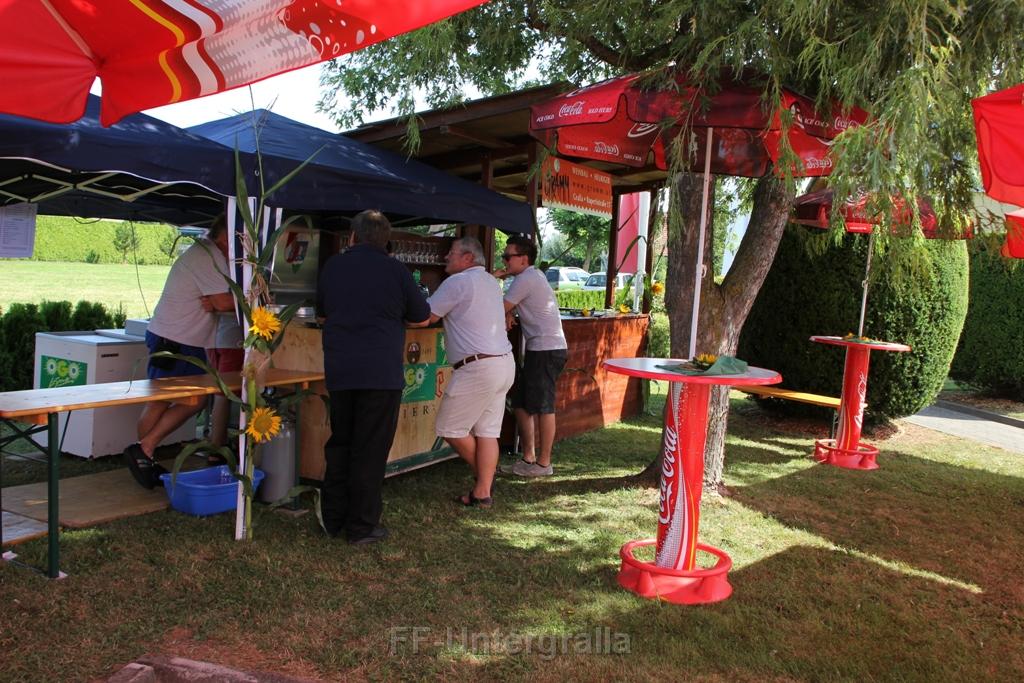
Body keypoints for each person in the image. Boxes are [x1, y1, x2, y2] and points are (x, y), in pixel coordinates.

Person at [317, 210, 430, 545]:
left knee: (340, 442)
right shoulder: (396, 270)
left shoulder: (333, 266)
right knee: (370, 449)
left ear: (352, 237)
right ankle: (361, 526)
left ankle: (333, 519)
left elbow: (322, 315)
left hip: (340, 368)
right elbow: (421, 318)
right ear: (386, 240)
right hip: (381, 373)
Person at [123, 215, 234, 489]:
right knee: (164, 401)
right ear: (226, 238)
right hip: (173, 341)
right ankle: (143, 454)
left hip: (185, 340)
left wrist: (224, 301)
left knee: (192, 401)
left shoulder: (208, 253)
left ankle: (144, 450)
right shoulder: (208, 255)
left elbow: (220, 301)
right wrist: (241, 300)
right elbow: (222, 302)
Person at [424, 236, 514, 508]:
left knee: (449, 428)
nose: (446, 257)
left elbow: (427, 316)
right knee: (487, 431)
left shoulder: (458, 282)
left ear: (467, 258)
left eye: (451, 253)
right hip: (502, 363)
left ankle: (485, 481)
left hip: (478, 367)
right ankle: (482, 492)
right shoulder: (489, 281)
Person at [494, 235, 567, 477]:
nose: (504, 261)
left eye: (508, 257)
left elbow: (496, 308)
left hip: (546, 350)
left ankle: (544, 464)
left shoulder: (526, 278)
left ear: (523, 259)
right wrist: (509, 312)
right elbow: (508, 308)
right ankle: (528, 458)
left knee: (544, 406)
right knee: (520, 404)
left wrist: (494, 280)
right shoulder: (531, 276)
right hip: (542, 349)